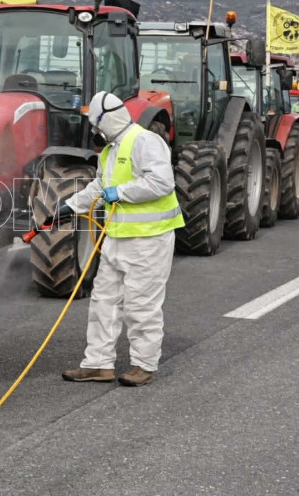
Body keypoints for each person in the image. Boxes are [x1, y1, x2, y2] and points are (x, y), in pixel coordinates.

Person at [53, 91, 184, 387]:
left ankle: (144, 365)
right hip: (116, 237)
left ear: (107, 120)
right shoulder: (109, 151)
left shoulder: (146, 141)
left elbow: (162, 183)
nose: (95, 132)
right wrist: (71, 206)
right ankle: (98, 364)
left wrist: (121, 193)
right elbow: (100, 186)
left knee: (141, 305)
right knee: (104, 302)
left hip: (149, 239)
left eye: (96, 125)